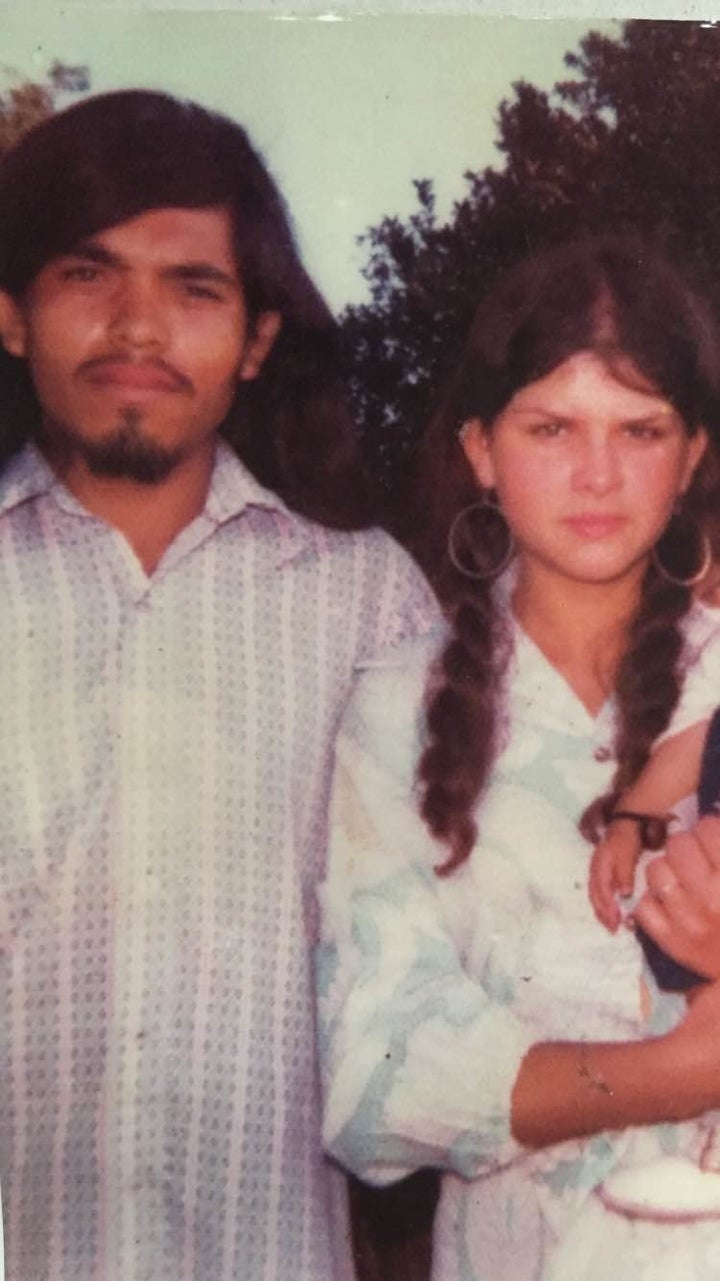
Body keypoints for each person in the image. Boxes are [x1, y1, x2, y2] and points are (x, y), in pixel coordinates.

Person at [0, 89, 438, 1281]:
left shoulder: (370, 604)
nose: (139, 328)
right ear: (12, 315)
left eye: (195, 288)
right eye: (89, 275)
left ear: (255, 340)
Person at [316, 236, 720, 1281]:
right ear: (483, 449)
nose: (597, 473)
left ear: (692, 457)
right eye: (551, 427)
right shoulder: (400, 701)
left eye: (641, 430)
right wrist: (679, 1071)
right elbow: (375, 1083)